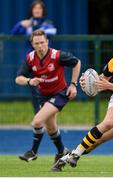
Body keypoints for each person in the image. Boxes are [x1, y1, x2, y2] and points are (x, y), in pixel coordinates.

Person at [52, 32, 113, 171]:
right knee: (108, 122)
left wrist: (109, 86)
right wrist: (86, 82)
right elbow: (101, 80)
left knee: (99, 140)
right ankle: (76, 155)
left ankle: (67, 157)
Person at [15, 30, 81, 169]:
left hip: (60, 93)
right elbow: (18, 78)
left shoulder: (57, 55)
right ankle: (63, 152)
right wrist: (29, 81)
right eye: (36, 43)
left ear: (47, 42)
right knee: (50, 127)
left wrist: (73, 85)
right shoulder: (30, 58)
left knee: (38, 121)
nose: (40, 46)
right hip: (43, 96)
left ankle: (33, 151)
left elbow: (76, 62)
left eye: (42, 42)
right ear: (32, 45)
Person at [12, 0, 57, 114]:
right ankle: (38, 114)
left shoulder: (47, 23)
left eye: (39, 8)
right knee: (34, 90)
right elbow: (14, 32)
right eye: (35, 8)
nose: (37, 10)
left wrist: (33, 27)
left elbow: (51, 32)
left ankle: (47, 113)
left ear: (43, 11)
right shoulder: (27, 24)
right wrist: (21, 23)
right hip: (32, 62)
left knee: (48, 89)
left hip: (46, 62)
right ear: (31, 11)